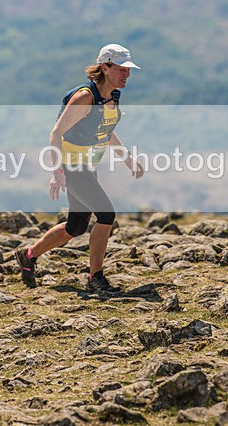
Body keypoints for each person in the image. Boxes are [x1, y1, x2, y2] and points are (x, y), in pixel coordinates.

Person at [15, 43, 145, 294]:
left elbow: (105, 130)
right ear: (106, 67)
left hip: (89, 165)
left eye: (129, 70)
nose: (127, 74)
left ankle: (29, 255)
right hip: (73, 166)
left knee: (75, 226)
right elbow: (56, 134)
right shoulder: (85, 97)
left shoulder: (112, 95)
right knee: (106, 215)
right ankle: (96, 276)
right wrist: (57, 172)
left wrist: (126, 157)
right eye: (122, 69)